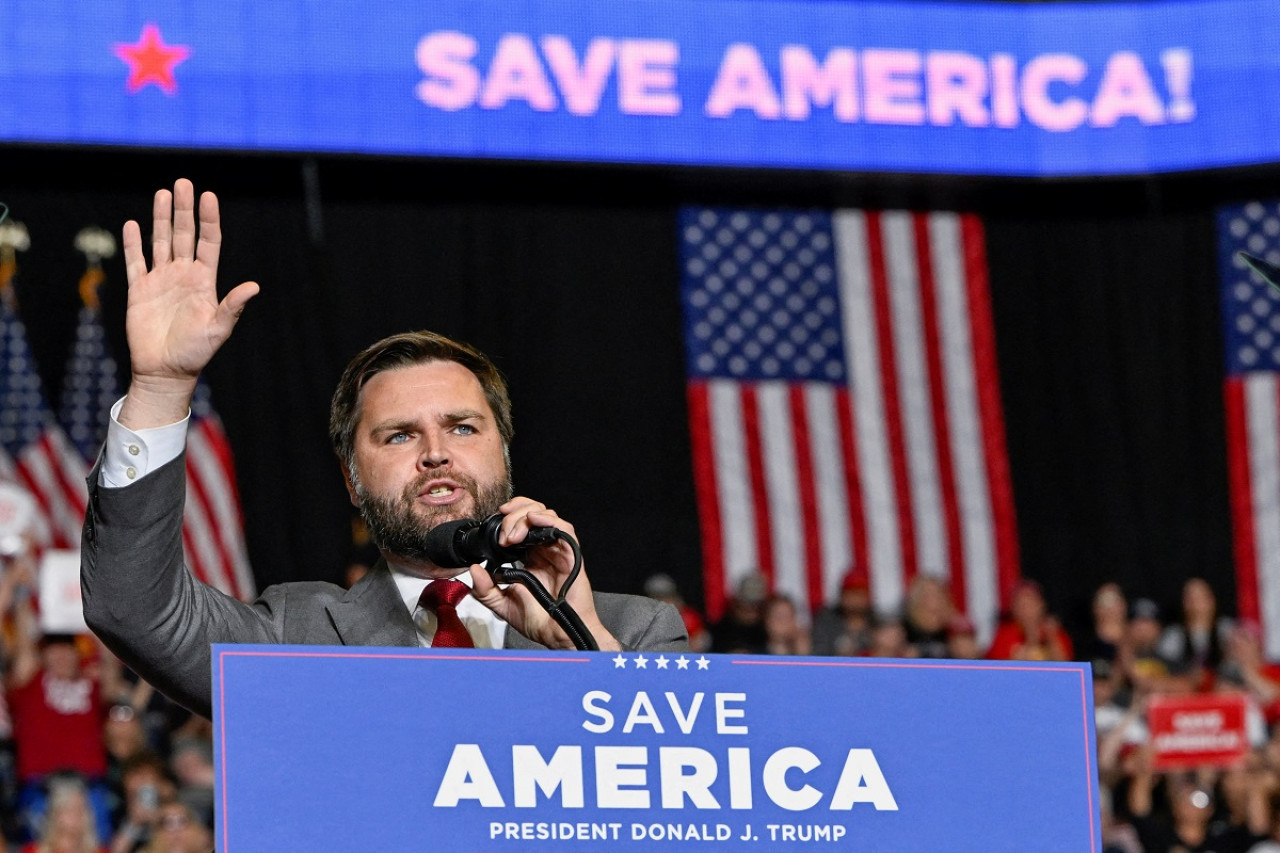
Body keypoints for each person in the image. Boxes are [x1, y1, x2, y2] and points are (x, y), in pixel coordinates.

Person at [80, 179, 689, 721]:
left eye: (463, 427)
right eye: (398, 435)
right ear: (351, 479)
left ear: (504, 452)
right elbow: (132, 607)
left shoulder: (635, 634)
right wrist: (161, 389)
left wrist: (577, 644)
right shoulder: (296, 637)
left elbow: (680, 795)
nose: (435, 453)